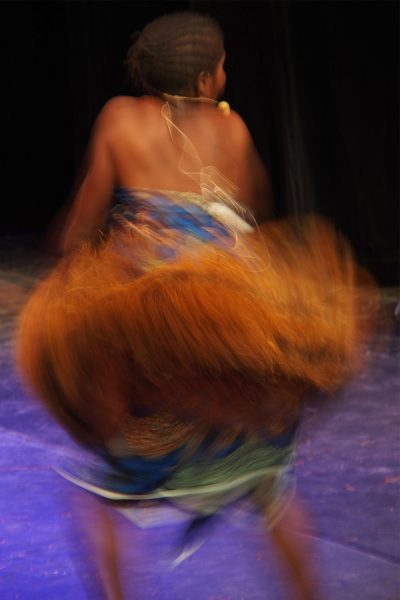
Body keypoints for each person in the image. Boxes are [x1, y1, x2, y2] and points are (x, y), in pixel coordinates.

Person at [17, 10, 375, 600]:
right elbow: (252, 218)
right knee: (270, 490)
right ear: (207, 79)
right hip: (228, 345)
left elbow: (83, 219)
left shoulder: (117, 119)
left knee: (105, 496)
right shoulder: (232, 131)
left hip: (159, 354)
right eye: (224, 64)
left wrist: (66, 283)